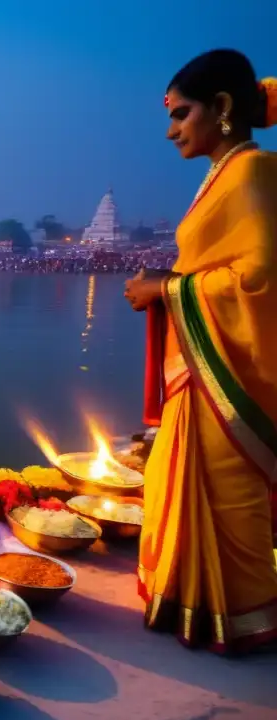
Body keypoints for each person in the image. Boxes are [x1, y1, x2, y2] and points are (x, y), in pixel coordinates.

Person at [123, 49, 277, 652]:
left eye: (181, 113)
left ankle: (245, 617)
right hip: (198, 365)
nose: (171, 130)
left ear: (223, 108)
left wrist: (165, 288)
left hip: (227, 371)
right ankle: (188, 601)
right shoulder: (225, 172)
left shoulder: (253, 172)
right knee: (178, 479)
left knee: (229, 490)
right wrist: (168, 283)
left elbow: (260, 280)